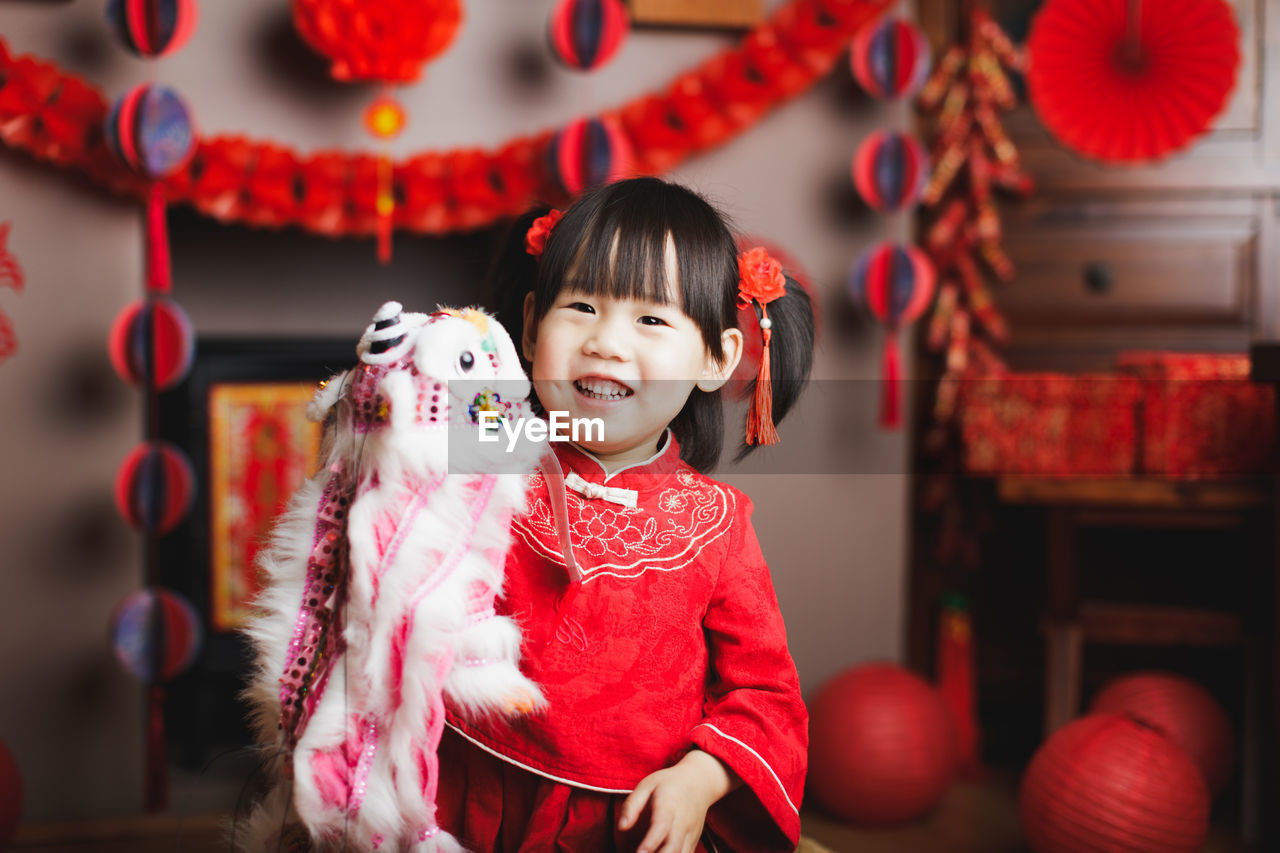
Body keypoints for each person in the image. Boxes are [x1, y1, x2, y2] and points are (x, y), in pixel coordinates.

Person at [437, 176, 815, 853]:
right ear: (529, 325)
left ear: (715, 358)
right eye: (580, 305)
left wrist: (699, 779)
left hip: (621, 825)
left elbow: (765, 695)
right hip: (462, 796)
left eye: (650, 318)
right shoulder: (479, 465)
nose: (606, 342)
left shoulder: (716, 522)